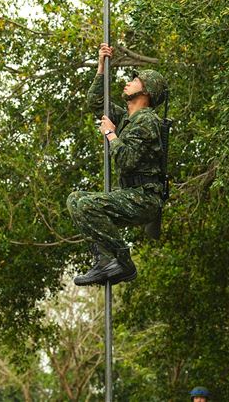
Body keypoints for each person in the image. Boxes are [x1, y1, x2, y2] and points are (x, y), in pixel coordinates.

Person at [67, 43, 169, 286]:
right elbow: (96, 102)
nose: (128, 82)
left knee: (88, 205)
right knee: (75, 200)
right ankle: (106, 261)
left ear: (147, 91)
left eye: (135, 80)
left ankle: (123, 262)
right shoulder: (127, 118)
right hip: (132, 193)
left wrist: (110, 135)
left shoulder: (147, 121)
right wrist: (101, 67)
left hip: (144, 197)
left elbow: (127, 159)